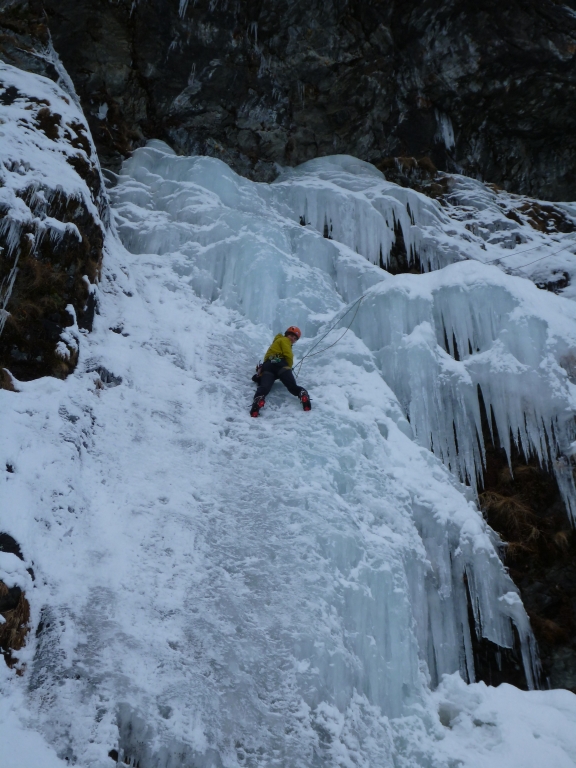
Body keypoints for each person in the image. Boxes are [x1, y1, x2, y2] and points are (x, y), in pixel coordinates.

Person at [250, 326, 311, 417]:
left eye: (295, 339)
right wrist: (288, 368)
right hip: (281, 365)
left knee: (264, 388)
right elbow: (288, 355)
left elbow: (266, 359)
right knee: (292, 387)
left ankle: (257, 402)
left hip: (268, 366)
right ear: (286, 335)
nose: (292, 339)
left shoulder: (276, 343)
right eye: (291, 336)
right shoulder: (285, 340)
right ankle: (303, 395)